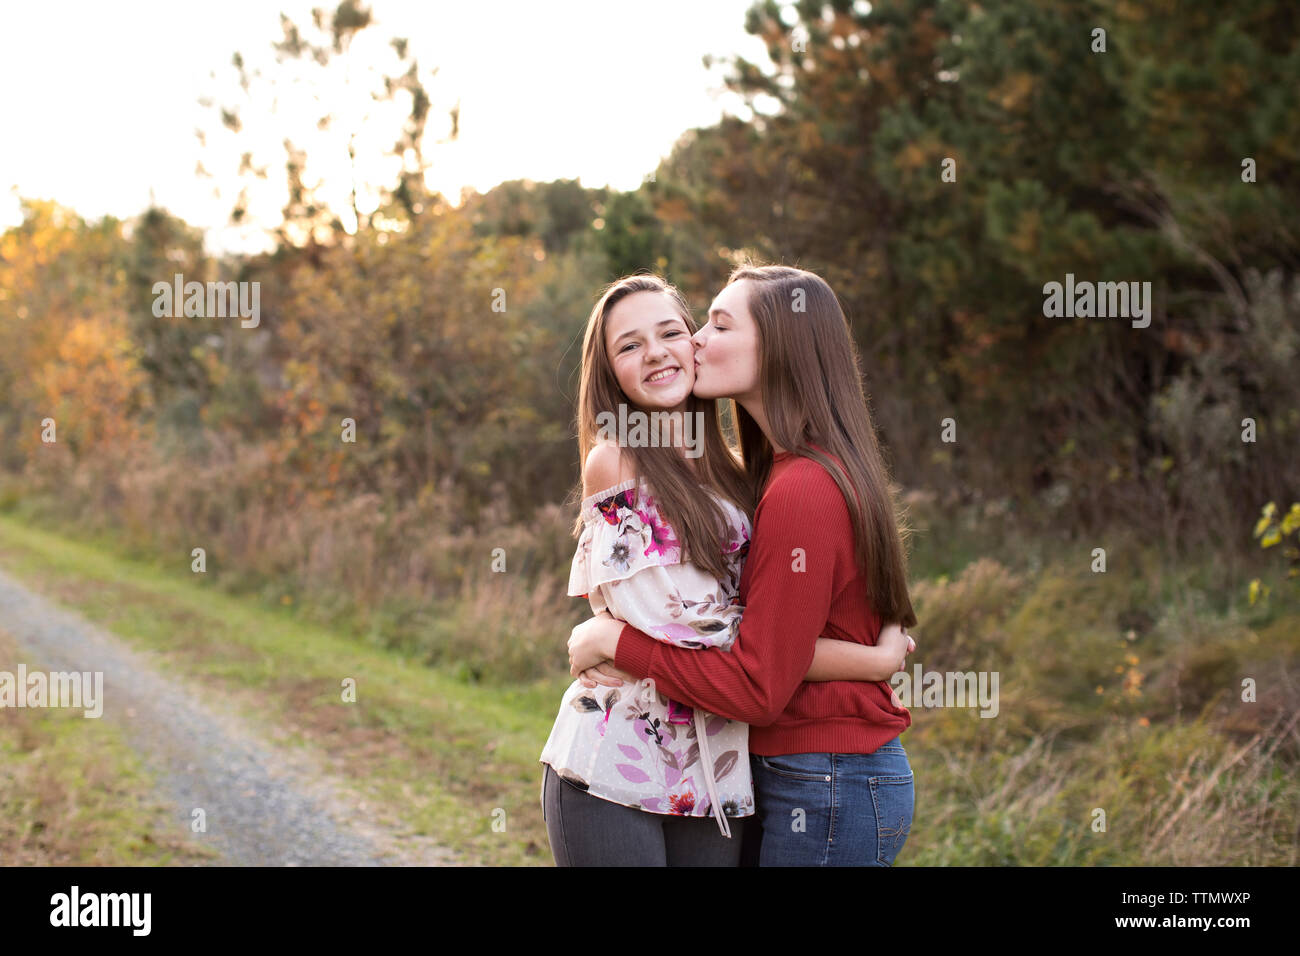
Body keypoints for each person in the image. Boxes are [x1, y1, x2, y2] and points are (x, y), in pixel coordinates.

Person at [542, 273, 912, 867]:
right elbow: (696, 633)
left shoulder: (744, 475)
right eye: (629, 345)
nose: (660, 351)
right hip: (621, 759)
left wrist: (608, 637)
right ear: (609, 372)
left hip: (717, 768)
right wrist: (866, 658)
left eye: (674, 330)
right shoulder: (616, 463)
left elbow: (760, 644)